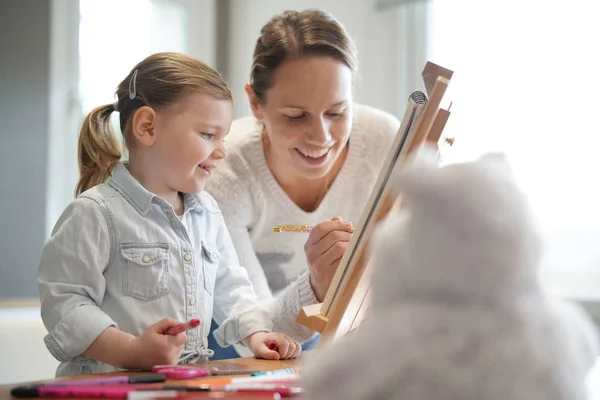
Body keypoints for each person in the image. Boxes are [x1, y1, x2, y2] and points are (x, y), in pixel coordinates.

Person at [36, 52, 320, 377]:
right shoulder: (95, 213)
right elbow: (65, 302)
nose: (221, 151)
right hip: (109, 386)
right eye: (208, 135)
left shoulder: (208, 212)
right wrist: (130, 351)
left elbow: (231, 284)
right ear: (147, 127)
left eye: (223, 138)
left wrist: (255, 334)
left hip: (184, 384)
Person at [205, 9, 401, 358]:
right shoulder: (223, 170)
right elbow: (253, 331)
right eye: (296, 116)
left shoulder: (385, 141)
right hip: (234, 340)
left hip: (341, 331)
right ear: (255, 103)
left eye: (337, 112)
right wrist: (317, 287)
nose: (321, 137)